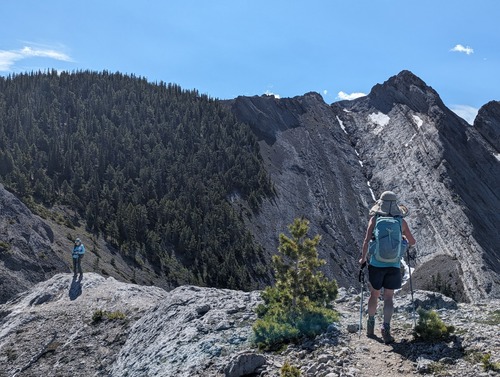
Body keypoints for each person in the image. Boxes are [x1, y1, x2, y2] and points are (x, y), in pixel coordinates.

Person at [359, 191, 416, 344]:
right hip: (394, 264)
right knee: (389, 297)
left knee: (374, 295)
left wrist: (363, 258)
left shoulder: (375, 219)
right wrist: (402, 240)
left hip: (376, 264)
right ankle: (386, 327)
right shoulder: (400, 222)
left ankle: (370, 325)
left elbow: (366, 240)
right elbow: (412, 241)